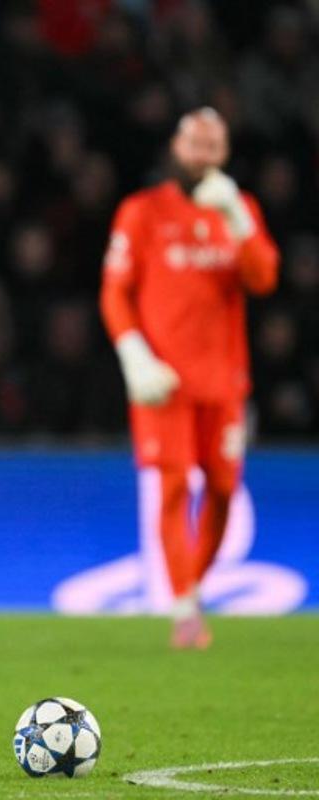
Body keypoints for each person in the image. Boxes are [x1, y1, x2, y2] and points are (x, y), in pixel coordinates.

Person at [99, 107, 279, 649]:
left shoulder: (239, 208)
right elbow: (114, 291)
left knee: (223, 488)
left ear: (224, 154)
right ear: (176, 149)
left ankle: (194, 587)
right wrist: (134, 354)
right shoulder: (143, 211)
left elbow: (264, 279)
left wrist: (239, 223)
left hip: (224, 382)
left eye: (212, 147)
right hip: (163, 381)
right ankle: (183, 607)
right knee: (174, 486)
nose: (202, 156)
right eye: (194, 145)